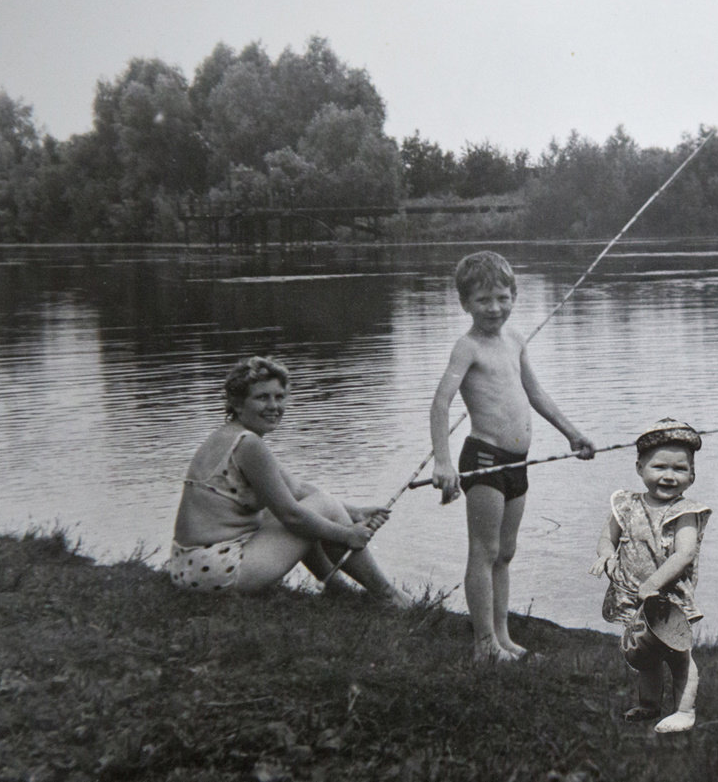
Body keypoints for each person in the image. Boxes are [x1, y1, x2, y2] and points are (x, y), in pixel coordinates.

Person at [430, 251, 596, 662]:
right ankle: (482, 644)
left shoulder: (517, 340)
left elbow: (536, 394)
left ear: (515, 296)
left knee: (505, 552)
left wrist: (572, 434)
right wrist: (443, 462)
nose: (494, 308)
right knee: (483, 551)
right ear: (465, 303)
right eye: (483, 300)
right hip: (484, 458)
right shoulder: (466, 348)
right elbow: (440, 404)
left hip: (517, 462)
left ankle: (502, 638)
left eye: (503, 298)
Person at [168, 356, 409, 606]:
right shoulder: (249, 445)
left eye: (280, 396)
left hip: (186, 567)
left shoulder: (230, 436)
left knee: (308, 508)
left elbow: (297, 489)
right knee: (317, 509)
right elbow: (291, 516)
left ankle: (336, 586)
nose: (274, 406)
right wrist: (346, 535)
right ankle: (388, 596)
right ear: (238, 404)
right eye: (262, 397)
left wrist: (355, 512)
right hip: (216, 571)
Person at [590, 418, 712, 733]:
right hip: (633, 595)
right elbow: (609, 535)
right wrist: (605, 553)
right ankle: (649, 704)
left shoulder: (685, 513)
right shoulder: (627, 505)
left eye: (680, 469)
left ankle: (685, 711)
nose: (669, 476)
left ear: (692, 475)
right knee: (645, 655)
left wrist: (653, 583)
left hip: (667, 597)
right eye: (659, 467)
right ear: (640, 467)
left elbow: (683, 555)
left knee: (678, 655)